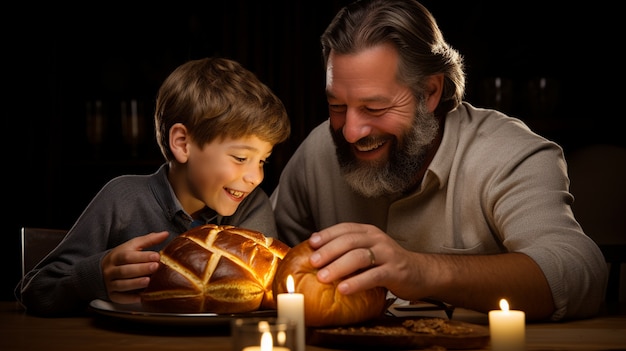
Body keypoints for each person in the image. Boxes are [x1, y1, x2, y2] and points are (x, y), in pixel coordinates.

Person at [270, 0, 607, 322]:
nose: (351, 132)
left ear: (430, 92)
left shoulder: (509, 154)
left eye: (375, 108)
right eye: (337, 107)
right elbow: (259, 258)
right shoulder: (319, 149)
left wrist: (418, 270)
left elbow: (580, 275)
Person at [16, 57, 291, 316]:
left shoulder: (253, 206)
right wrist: (97, 275)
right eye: (241, 158)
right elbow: (34, 290)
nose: (255, 177)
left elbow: (268, 297)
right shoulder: (122, 199)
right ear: (183, 143)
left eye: (262, 161)